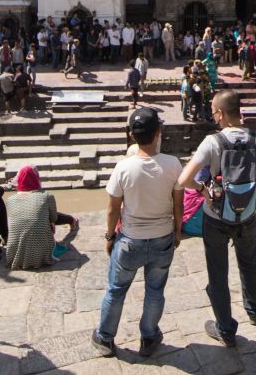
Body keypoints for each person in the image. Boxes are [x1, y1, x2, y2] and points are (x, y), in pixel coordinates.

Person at [177, 90, 256, 348]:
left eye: (213, 112)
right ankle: (255, 311)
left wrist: (203, 190)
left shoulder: (212, 142)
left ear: (220, 113)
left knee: (218, 273)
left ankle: (225, 329)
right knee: (250, 263)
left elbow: (184, 179)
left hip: (216, 217)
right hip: (247, 216)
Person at [91, 108, 183, 359]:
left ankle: (105, 338)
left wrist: (109, 236)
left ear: (132, 135)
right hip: (163, 237)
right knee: (155, 290)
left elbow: (113, 209)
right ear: (158, 133)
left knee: (116, 290)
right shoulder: (173, 164)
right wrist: (177, 232)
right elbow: (178, 205)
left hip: (130, 240)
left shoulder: (123, 167)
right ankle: (149, 336)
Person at [4, 165, 77, 270]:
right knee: (48, 222)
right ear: (37, 179)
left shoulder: (10, 200)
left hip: (14, 256)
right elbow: (54, 219)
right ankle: (42, 248)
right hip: (43, 257)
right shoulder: (47, 196)